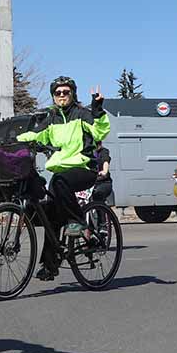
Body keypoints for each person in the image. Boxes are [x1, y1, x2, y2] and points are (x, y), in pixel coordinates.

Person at [17, 78, 110, 281]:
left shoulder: (82, 114)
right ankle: (50, 266)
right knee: (51, 216)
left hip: (84, 168)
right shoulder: (51, 117)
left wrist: (98, 110)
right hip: (60, 172)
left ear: (73, 94)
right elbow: (35, 134)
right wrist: (11, 141)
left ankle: (79, 223)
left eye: (65, 91)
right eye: (57, 92)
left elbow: (100, 131)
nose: (61, 95)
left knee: (60, 182)